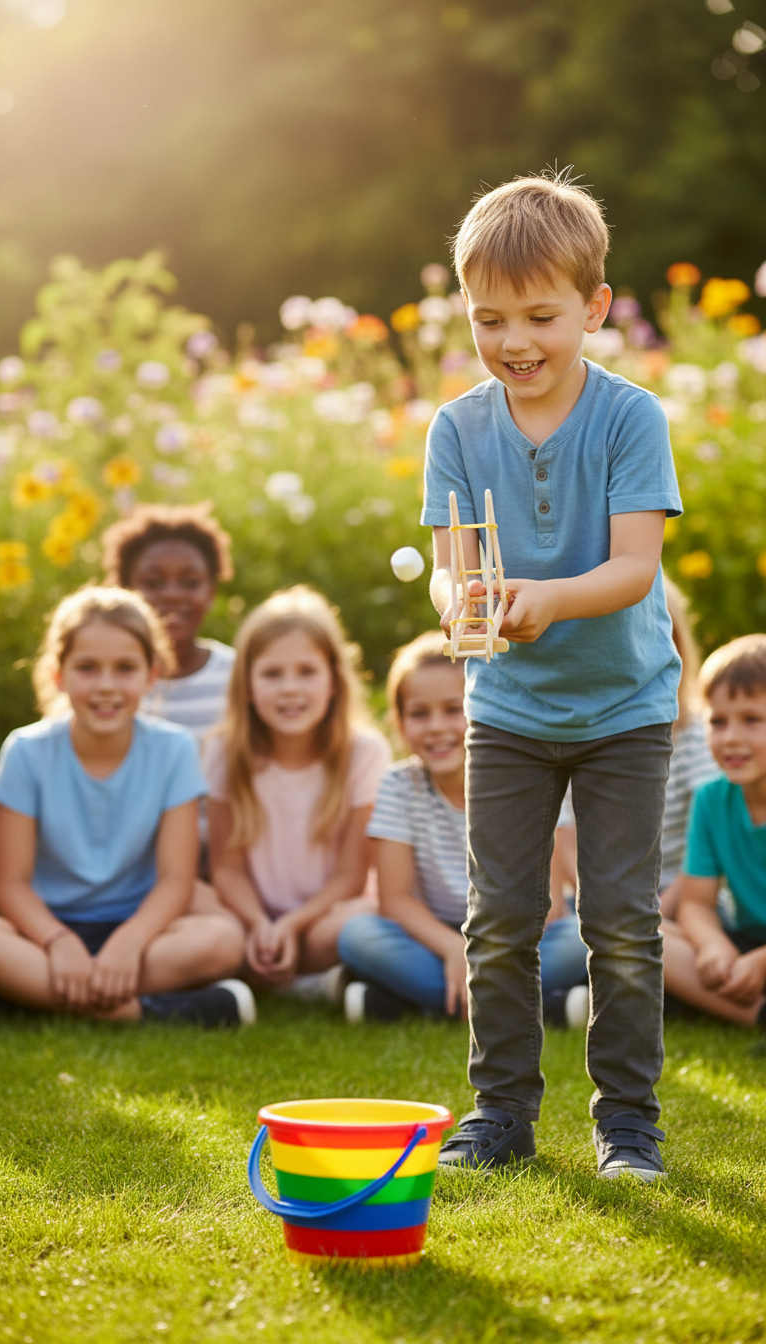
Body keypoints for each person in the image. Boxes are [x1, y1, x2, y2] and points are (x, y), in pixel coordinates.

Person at [423, 171, 682, 1180]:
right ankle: (501, 1114)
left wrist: (546, 598)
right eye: (490, 319)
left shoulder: (629, 419)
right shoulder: (457, 429)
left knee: (620, 920)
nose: (515, 340)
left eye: (542, 314)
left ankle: (628, 1123)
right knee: (499, 920)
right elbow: (453, 578)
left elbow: (632, 569)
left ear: (595, 309)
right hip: (510, 709)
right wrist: (469, 609)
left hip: (625, 709)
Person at [0, 587, 253, 1026]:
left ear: (152, 675)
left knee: (223, 940)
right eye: (87, 668)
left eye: (125, 668)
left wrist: (129, 943)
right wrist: (58, 941)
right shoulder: (26, 751)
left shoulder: (173, 749)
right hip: (44, 929)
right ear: (58, 674)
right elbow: (11, 883)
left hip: (142, 927)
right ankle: (136, 1010)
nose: (106, 686)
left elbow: (177, 879)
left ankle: (43, 995)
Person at [339, 631, 589, 1026]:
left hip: (517, 938)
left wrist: (487, 954)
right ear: (401, 724)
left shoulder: (531, 780)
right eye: (419, 714)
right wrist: (455, 949)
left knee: (581, 940)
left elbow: (549, 904)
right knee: (357, 934)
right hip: (434, 937)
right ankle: (532, 1004)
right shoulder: (398, 785)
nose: (436, 727)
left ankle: (416, 1002)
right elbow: (395, 900)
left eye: (454, 709)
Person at [208, 585, 391, 1000]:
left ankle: (273, 974)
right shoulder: (222, 753)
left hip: (325, 918)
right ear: (248, 686)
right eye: (272, 674)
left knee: (366, 918)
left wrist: (291, 925)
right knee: (203, 912)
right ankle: (303, 979)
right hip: (248, 915)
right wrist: (259, 924)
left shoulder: (364, 753)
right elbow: (226, 870)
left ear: (333, 681)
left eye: (307, 672)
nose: (290, 688)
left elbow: (352, 877)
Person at [553, 575, 719, 924]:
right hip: (601, 901)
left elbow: (704, 845)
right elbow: (565, 835)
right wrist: (602, 910)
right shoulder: (571, 734)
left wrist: (650, 918)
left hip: (681, 896)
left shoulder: (697, 736)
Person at [662, 635, 766, 1028]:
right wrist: (712, 945)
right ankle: (757, 1013)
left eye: (751, 719)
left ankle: (717, 1004)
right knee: (648, 934)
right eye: (718, 721)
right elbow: (696, 903)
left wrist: (761, 963)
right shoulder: (711, 800)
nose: (731, 738)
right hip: (746, 939)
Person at [101, 502, 236, 746]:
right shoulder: (104, 680)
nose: (172, 595)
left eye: (190, 582)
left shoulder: (237, 675)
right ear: (124, 590)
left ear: (211, 594)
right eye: (153, 582)